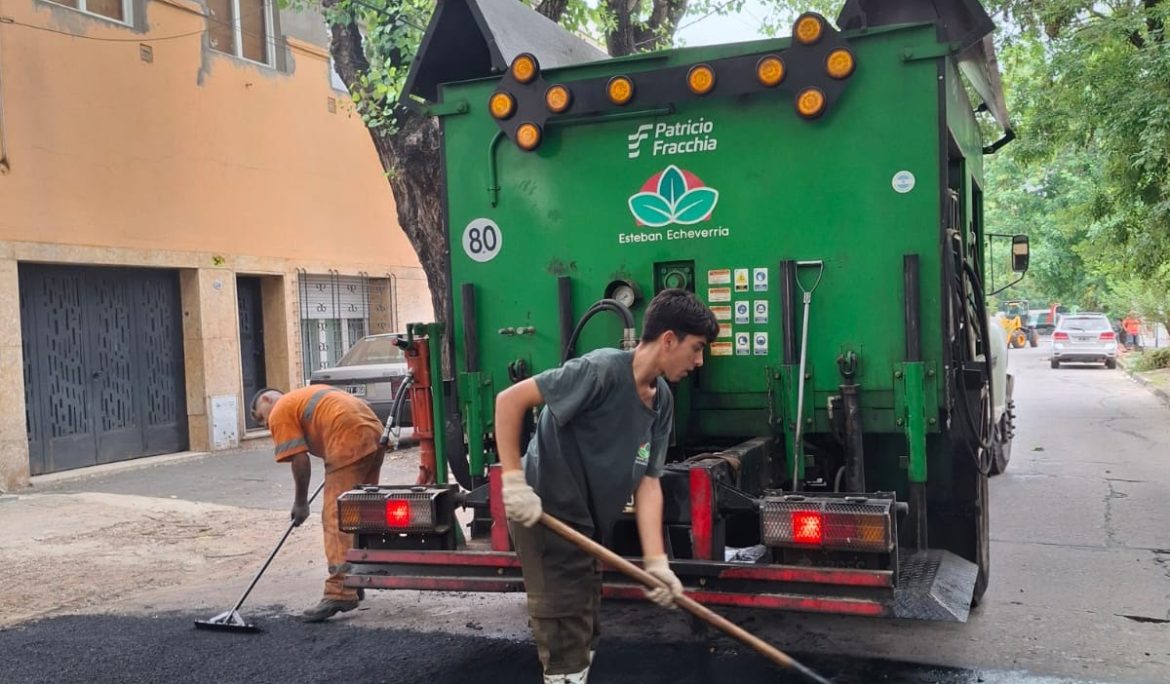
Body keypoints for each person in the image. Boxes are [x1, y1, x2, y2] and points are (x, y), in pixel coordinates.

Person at [495, 288, 719, 684]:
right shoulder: (599, 371)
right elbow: (509, 401)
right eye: (697, 348)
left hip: (585, 522)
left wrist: (657, 563)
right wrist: (514, 482)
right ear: (669, 339)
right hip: (544, 512)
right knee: (564, 629)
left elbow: (649, 483)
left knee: (586, 624)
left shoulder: (662, 400)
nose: (699, 361)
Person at [251, 385, 386, 622]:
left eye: (262, 417)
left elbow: (300, 459)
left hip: (347, 436)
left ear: (267, 399)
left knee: (336, 517)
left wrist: (301, 503)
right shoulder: (307, 396)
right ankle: (356, 578)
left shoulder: (280, 409)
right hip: (373, 430)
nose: (266, 425)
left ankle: (340, 592)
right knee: (357, 512)